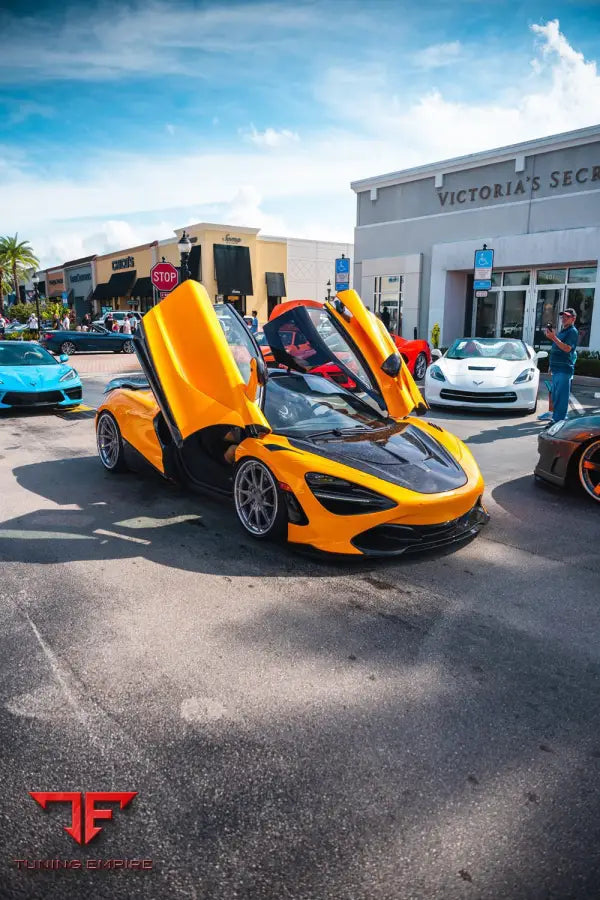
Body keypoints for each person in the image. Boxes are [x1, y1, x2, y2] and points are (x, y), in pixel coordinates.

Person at [541, 308, 579, 424]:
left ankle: (559, 421)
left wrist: (553, 338)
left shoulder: (572, 331)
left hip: (564, 369)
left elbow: (567, 348)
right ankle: (556, 419)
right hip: (557, 369)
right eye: (563, 316)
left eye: (567, 317)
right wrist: (551, 365)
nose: (564, 319)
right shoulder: (563, 331)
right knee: (556, 396)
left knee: (561, 397)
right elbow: (556, 348)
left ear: (573, 318)